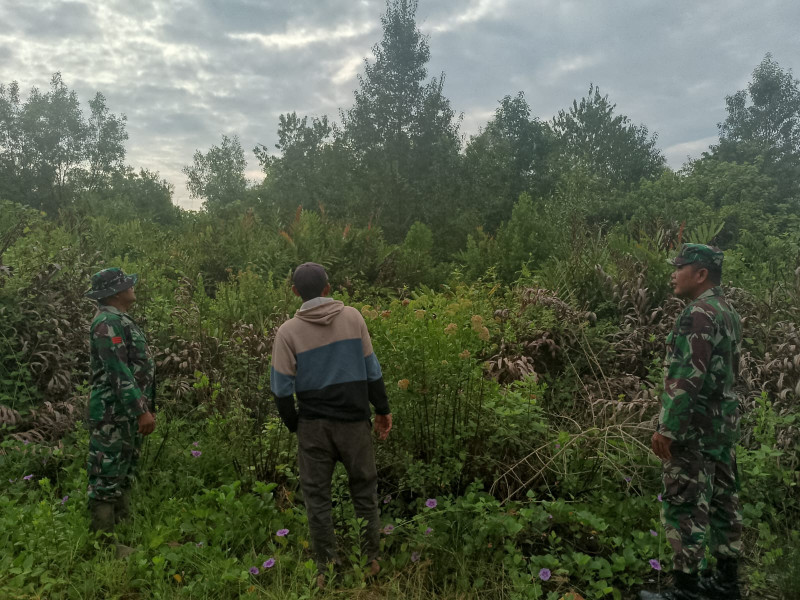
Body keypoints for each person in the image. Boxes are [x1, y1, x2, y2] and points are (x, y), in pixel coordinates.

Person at [270, 262, 392, 586]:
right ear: (327, 288)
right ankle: (370, 562)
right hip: (354, 423)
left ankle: (325, 570)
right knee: (364, 492)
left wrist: (298, 425)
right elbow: (372, 370)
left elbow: (281, 391)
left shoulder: (287, 332)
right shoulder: (353, 317)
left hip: (313, 426)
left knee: (317, 498)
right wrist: (382, 408)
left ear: (294, 291)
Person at [641, 244, 743, 600]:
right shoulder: (726, 311)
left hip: (695, 430)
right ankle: (727, 583)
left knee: (684, 503)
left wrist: (667, 428)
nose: (673, 272)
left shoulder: (697, 313)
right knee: (722, 501)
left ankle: (686, 591)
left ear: (701, 274)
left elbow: (687, 378)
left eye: (680, 267)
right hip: (720, 427)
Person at [84, 268, 156, 551]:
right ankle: (104, 544)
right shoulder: (107, 323)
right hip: (111, 414)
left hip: (124, 412)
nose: (132, 288)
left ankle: (122, 530)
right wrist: (141, 410)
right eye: (127, 285)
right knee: (106, 473)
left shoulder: (118, 319)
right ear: (115, 293)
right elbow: (118, 372)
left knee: (123, 470)